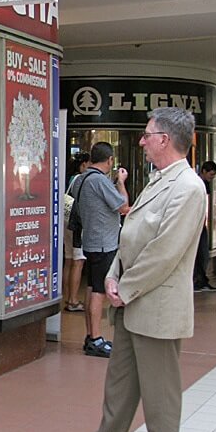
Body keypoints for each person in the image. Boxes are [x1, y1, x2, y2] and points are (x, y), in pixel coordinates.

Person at [58, 107, 206, 432]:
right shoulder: (158, 181)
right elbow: (129, 238)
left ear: (165, 139)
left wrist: (123, 287)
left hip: (157, 306)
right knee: (120, 383)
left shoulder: (188, 188)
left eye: (146, 134)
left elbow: (165, 252)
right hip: (132, 301)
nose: (141, 141)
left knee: (160, 391)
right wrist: (111, 276)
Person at [70, 142, 129, 357]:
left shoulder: (81, 179)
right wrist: (121, 183)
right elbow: (123, 206)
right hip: (104, 242)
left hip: (90, 240)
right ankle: (95, 338)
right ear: (110, 160)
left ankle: (90, 335)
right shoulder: (100, 180)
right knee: (99, 291)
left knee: (92, 287)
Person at [63, 152, 90, 312]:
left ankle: (67, 297)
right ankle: (73, 300)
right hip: (76, 224)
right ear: (83, 165)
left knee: (68, 260)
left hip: (66, 221)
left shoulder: (68, 178)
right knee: (78, 261)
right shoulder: (80, 180)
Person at [193, 161, 216, 292]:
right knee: (198, 253)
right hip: (195, 224)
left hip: (201, 223)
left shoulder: (205, 184)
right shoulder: (197, 183)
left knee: (203, 253)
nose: (212, 177)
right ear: (203, 171)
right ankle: (197, 280)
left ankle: (201, 279)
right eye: (211, 174)